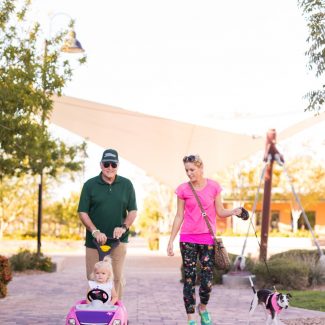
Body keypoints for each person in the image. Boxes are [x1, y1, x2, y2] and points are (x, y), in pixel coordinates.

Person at [167, 154, 244, 325]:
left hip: (207, 239)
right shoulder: (183, 189)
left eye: (192, 169)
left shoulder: (214, 187)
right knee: (189, 278)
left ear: (201, 168)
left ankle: (203, 308)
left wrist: (234, 211)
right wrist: (171, 240)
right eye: (187, 170)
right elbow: (179, 216)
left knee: (207, 281)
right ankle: (190, 318)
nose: (189, 173)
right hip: (187, 238)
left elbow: (220, 211)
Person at [78, 148, 137, 299]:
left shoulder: (126, 184)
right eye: (106, 164)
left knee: (116, 277)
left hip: (118, 241)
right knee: (93, 277)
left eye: (113, 164)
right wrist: (94, 231)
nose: (110, 167)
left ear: (117, 165)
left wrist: (124, 227)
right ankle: (95, 311)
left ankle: (115, 314)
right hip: (94, 241)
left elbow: (132, 211)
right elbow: (82, 212)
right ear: (101, 165)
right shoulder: (90, 185)